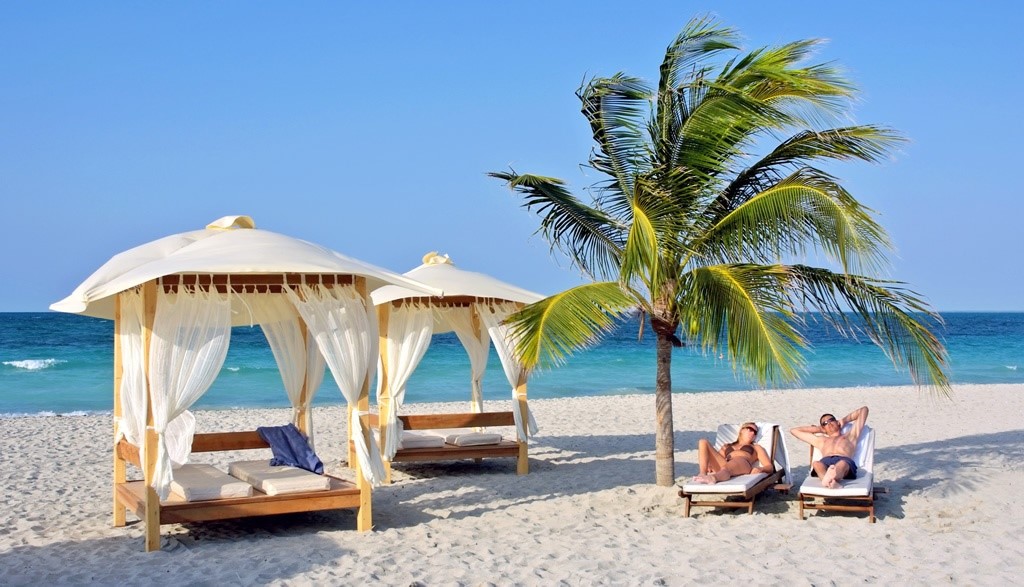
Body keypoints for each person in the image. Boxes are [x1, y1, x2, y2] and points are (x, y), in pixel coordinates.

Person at [790, 406, 869, 489]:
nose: (829, 423)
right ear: (823, 428)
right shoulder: (821, 441)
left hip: (844, 460)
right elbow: (794, 431)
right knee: (816, 464)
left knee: (842, 463)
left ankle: (827, 479)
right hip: (825, 462)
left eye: (831, 420)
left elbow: (864, 410)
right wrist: (819, 429)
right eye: (825, 423)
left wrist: (844, 420)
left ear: (837, 422)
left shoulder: (851, 436)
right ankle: (831, 481)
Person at [690, 422, 774, 484]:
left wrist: (761, 469)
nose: (753, 433)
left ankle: (713, 478)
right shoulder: (726, 446)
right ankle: (702, 473)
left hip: (743, 464)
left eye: (755, 432)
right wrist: (709, 466)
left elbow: (769, 467)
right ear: (741, 430)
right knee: (703, 442)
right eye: (750, 429)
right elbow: (718, 459)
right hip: (726, 464)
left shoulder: (756, 447)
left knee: (730, 465)